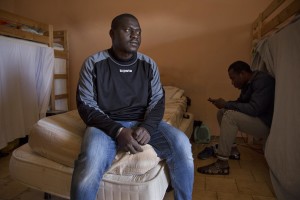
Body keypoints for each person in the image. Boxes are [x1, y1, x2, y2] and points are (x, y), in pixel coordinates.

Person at [70, 13, 194, 200]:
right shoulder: (93, 63)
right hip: (104, 125)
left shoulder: (148, 64)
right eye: (128, 30)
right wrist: (118, 131)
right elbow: (86, 105)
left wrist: (148, 127)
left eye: (138, 31)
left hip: (142, 122)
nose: (135, 35)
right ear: (111, 34)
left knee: (182, 144)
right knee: (91, 159)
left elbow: (158, 101)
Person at [198, 60, 275, 175]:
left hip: (265, 125)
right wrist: (224, 104)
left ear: (242, 74)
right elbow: (240, 104)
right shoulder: (248, 83)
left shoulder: (262, 81)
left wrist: (226, 104)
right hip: (257, 120)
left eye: (233, 78)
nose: (232, 82)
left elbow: (254, 109)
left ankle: (222, 164)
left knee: (229, 116)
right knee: (223, 112)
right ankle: (233, 151)